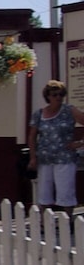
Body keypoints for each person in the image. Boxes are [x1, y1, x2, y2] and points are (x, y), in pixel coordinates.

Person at [28, 80, 84, 213]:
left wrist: (81, 142)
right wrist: (33, 158)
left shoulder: (69, 110)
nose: (58, 97)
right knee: (44, 190)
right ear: (48, 96)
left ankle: (68, 220)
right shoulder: (39, 114)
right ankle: (42, 222)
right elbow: (32, 136)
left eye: (61, 94)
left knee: (65, 190)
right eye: (54, 95)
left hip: (64, 157)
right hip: (45, 158)